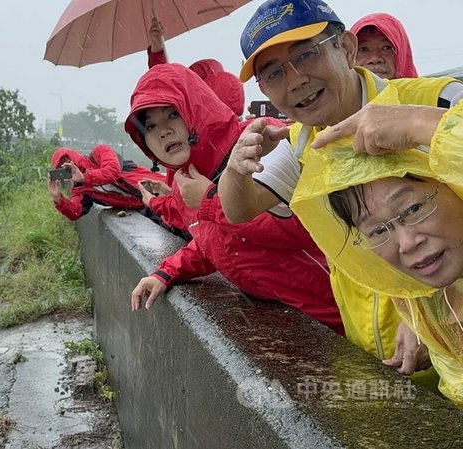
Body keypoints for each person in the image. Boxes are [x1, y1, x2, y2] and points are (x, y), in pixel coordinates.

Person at [217, 0, 463, 375]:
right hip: (374, 351)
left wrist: (418, 125)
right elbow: (239, 209)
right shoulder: (302, 143)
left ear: (346, 48)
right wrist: (236, 168)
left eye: (306, 54)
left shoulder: (436, 101)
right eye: (274, 74)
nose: (295, 79)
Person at [124, 63, 343, 334]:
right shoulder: (189, 178)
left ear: (195, 110)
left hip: (338, 314)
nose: (164, 131)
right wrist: (166, 272)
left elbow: (302, 228)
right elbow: (212, 244)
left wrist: (209, 200)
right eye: (151, 126)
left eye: (173, 114)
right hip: (290, 322)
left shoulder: (257, 141)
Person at [290, 92, 463, 406]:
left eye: (412, 209)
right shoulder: (421, 301)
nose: (408, 243)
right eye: (379, 230)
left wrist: (420, 123)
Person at [146, 17, 245, 117]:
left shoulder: (194, 125)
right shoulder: (249, 129)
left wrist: (157, 50)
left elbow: (166, 89)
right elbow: (168, 89)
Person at [48, 144, 165, 221]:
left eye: (67, 160)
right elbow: (75, 212)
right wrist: (58, 199)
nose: (68, 165)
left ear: (73, 155)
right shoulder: (81, 191)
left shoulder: (99, 152)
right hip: (150, 207)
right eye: (62, 166)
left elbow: (113, 172)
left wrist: (84, 177)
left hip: (163, 188)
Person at [351, 13, 418, 80]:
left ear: (402, 55)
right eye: (364, 49)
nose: (375, 59)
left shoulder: (422, 89)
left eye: (386, 48)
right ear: (349, 55)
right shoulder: (342, 90)